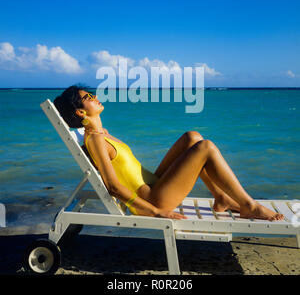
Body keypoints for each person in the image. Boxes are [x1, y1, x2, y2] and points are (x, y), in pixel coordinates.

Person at [54, 85, 284, 221]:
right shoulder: (95, 140)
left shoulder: (102, 134)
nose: (94, 97)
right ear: (81, 111)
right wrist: (155, 212)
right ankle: (248, 206)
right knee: (206, 148)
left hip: (155, 185)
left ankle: (221, 197)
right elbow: (113, 186)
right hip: (154, 199)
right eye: (88, 97)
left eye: (91, 94)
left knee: (192, 138)